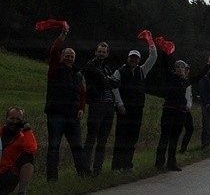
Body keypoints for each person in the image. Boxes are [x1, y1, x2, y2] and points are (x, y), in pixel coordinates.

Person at [44, 26, 89, 181]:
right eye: (67, 55)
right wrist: (63, 35)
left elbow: (82, 94)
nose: (69, 58)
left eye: (72, 56)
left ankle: (84, 176)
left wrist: (82, 109)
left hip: (73, 117)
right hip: (56, 114)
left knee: (78, 147)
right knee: (54, 147)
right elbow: (54, 50)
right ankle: (52, 179)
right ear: (62, 56)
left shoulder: (78, 75)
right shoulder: (55, 69)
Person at [155, 54, 210, 171]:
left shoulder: (185, 82)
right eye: (178, 67)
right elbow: (165, 67)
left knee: (175, 138)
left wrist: (208, 64)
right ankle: (159, 163)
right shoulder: (171, 78)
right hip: (169, 110)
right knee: (165, 137)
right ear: (175, 70)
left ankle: (171, 163)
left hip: (180, 112)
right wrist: (165, 53)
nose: (180, 69)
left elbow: (199, 76)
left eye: (182, 67)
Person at [111, 34, 157, 170]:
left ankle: (127, 165)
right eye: (132, 57)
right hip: (124, 109)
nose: (134, 60)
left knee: (132, 138)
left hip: (137, 109)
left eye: (136, 58)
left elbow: (153, 57)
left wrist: (150, 41)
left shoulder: (142, 71)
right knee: (121, 137)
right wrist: (119, 104)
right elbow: (114, 87)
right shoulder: (119, 71)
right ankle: (116, 166)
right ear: (128, 58)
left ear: (139, 60)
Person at [82, 41, 120, 176]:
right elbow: (104, 83)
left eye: (104, 52)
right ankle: (85, 168)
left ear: (107, 54)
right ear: (95, 52)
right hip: (96, 104)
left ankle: (97, 169)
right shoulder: (91, 65)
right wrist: (108, 81)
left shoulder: (106, 68)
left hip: (109, 106)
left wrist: (107, 80)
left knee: (103, 140)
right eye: (99, 51)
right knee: (91, 137)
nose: (101, 54)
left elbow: (116, 83)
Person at [0, 107, 37, 195]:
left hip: (6, 176)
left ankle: (22, 192)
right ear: (6, 118)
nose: (14, 122)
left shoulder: (22, 138)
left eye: (18, 119)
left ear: (22, 121)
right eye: (12, 118)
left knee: (28, 156)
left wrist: (27, 130)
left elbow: (32, 149)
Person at [179, 64, 194, 153]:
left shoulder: (188, 82)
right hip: (180, 109)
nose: (187, 71)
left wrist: (190, 105)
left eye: (188, 69)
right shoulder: (180, 81)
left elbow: (190, 96)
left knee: (190, 129)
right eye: (185, 69)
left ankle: (183, 148)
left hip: (187, 110)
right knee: (178, 129)